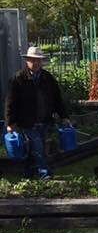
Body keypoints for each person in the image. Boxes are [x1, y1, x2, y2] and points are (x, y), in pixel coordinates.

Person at [4, 46, 70, 178]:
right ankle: (44, 173)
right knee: (38, 147)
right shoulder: (18, 79)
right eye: (33, 60)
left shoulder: (47, 78)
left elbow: (57, 99)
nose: (36, 63)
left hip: (44, 120)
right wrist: (10, 122)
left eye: (38, 60)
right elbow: (10, 102)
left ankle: (28, 172)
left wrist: (64, 116)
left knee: (34, 149)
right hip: (27, 121)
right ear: (27, 61)